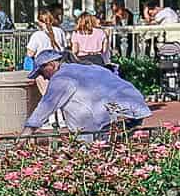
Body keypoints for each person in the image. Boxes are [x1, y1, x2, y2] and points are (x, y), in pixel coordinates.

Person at [21, 50, 150, 135]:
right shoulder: (87, 67)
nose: (43, 78)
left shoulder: (61, 77)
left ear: (50, 65)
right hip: (134, 109)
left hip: (113, 117)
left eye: (42, 73)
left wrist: (24, 136)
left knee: (100, 153)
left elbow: (45, 107)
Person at [25, 6, 69, 93]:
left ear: (39, 22)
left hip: (44, 68)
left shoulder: (37, 35)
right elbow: (64, 47)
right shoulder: (60, 31)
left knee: (46, 94)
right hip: (58, 65)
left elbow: (30, 53)